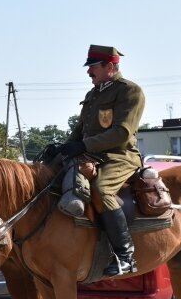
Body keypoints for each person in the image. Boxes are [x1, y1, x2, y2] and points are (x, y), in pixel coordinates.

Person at [57, 45, 145, 277]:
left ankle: (126, 256)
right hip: (91, 154)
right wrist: (63, 148)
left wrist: (84, 146)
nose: (88, 72)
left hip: (120, 156)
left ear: (111, 66)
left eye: (93, 67)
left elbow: (122, 133)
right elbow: (80, 129)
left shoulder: (130, 92)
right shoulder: (93, 94)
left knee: (101, 189)